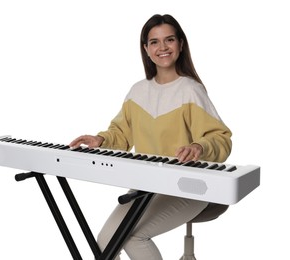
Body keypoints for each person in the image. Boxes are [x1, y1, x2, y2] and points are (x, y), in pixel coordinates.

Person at [69, 14, 232, 260]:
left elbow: (220, 137)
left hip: (186, 187)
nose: (162, 47)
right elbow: (121, 133)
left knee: (132, 236)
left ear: (180, 44)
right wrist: (101, 140)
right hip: (146, 186)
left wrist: (199, 145)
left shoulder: (191, 90)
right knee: (104, 245)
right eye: (154, 42)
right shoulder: (138, 91)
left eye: (169, 40)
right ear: (146, 49)